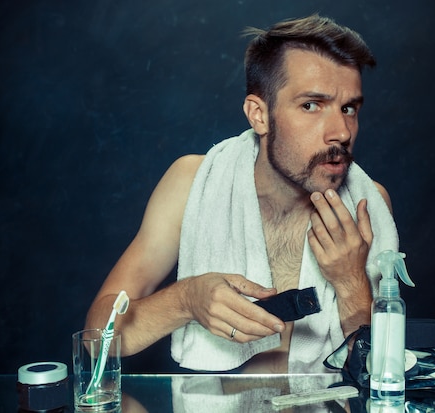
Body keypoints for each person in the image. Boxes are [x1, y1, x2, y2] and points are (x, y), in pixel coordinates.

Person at [85, 14, 399, 374]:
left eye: (349, 108)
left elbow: (382, 373)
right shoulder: (192, 182)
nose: (341, 132)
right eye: (311, 105)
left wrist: (351, 282)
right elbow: (98, 333)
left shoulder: (367, 204)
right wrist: (187, 299)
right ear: (259, 115)